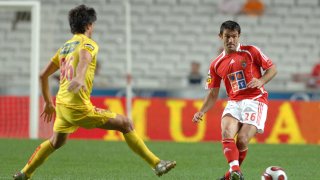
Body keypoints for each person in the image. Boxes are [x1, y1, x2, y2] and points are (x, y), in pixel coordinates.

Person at [13, 5, 175, 180]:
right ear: (89, 25)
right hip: (77, 107)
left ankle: (24, 173)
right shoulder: (88, 43)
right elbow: (84, 58)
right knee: (125, 123)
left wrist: (47, 102)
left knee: (56, 141)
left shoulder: (65, 47)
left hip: (61, 105)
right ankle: (157, 164)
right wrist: (80, 77)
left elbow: (42, 75)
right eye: (93, 24)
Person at [192, 20, 277, 180]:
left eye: (234, 36)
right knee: (226, 132)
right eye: (227, 36)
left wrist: (261, 81)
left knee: (242, 140)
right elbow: (212, 94)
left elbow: (272, 69)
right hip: (234, 102)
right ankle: (236, 172)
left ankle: (228, 175)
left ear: (239, 36)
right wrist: (201, 111)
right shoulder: (216, 64)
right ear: (220, 36)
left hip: (255, 100)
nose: (230, 40)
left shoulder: (251, 51)